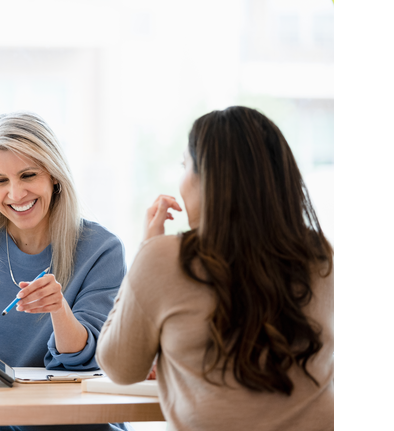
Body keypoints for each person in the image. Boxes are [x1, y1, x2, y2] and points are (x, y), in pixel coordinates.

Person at [96, 106, 334, 431]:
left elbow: (120, 368)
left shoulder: (165, 258)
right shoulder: (322, 256)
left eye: (185, 165)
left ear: (209, 177)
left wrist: (144, 253)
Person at [0, 112, 130, 431]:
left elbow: (88, 360)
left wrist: (59, 309)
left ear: (54, 176)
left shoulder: (101, 249)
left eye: (28, 175)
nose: (16, 195)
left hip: (78, 426)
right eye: (0, 181)